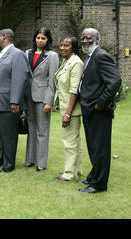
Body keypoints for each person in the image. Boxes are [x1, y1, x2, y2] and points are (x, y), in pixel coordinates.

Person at [78, 28, 121, 193]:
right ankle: (93, 176)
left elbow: (115, 81)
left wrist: (101, 104)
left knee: (100, 148)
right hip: (90, 109)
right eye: (83, 38)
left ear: (97, 40)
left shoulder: (101, 56)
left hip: (99, 112)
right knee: (93, 146)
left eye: (88, 38)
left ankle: (99, 185)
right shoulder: (90, 56)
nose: (84, 41)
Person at [0, 29, 29, 173]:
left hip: (8, 104)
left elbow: (19, 79)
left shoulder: (18, 55)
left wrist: (15, 101)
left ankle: (8, 163)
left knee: (8, 136)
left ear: (4, 37)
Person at [24, 27, 59, 172]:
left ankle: (41, 162)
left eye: (43, 38)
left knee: (42, 130)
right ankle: (30, 159)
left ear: (48, 40)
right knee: (31, 127)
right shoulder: (27, 53)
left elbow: (52, 80)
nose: (40, 40)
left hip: (43, 96)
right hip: (28, 96)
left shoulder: (52, 56)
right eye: (38, 37)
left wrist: (48, 101)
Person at [54, 35, 83, 182]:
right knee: (75, 141)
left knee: (69, 142)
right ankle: (76, 169)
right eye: (61, 45)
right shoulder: (67, 61)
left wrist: (68, 114)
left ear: (73, 47)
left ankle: (69, 173)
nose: (62, 48)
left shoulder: (76, 63)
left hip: (72, 111)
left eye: (66, 45)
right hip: (66, 107)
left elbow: (74, 91)